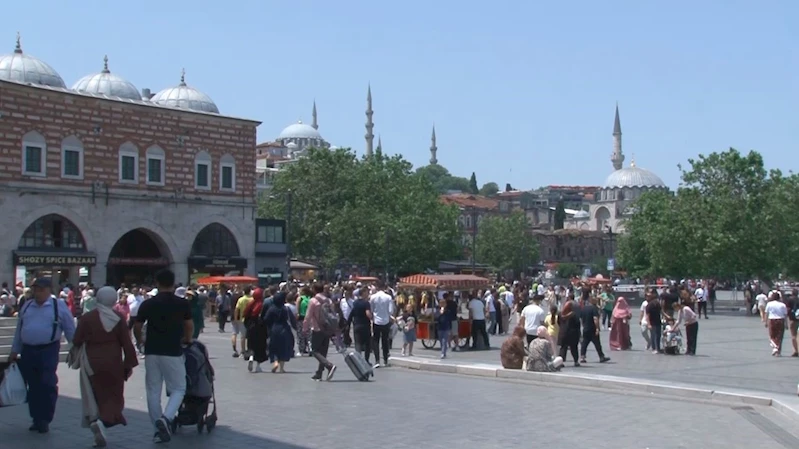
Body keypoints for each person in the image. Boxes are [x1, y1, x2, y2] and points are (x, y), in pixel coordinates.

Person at [71, 286, 139, 448]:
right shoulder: (118, 318)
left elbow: (76, 340)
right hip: (113, 361)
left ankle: (95, 422)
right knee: (113, 396)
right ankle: (103, 421)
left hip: (92, 361)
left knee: (94, 394)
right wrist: (129, 363)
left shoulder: (87, 318)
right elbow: (127, 343)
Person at [8, 277, 76, 434]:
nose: (37, 293)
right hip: (28, 350)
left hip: (48, 349)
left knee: (47, 383)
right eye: (35, 290)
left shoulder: (57, 306)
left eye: (40, 290)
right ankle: (36, 418)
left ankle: (45, 418)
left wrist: (74, 348)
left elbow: (69, 328)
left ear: (48, 290)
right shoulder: (27, 306)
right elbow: (20, 329)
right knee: (32, 385)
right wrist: (14, 350)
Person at [133, 269, 193, 443]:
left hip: (152, 350)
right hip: (173, 350)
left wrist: (140, 340)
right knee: (179, 388)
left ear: (157, 284)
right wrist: (187, 340)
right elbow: (189, 325)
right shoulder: (181, 303)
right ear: (173, 283)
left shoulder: (148, 304)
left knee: (153, 390)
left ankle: (158, 429)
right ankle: (166, 418)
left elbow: (137, 325)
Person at [304, 283, 337, 381]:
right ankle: (319, 373)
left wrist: (305, 328)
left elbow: (308, 316)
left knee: (314, 350)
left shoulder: (313, 301)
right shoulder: (328, 300)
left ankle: (329, 366)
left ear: (314, 289)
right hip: (327, 328)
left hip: (317, 328)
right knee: (323, 352)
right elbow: (333, 314)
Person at [264, 291, 296, 373]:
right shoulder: (286, 308)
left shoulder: (271, 309)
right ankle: (281, 368)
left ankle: (275, 362)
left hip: (274, 329)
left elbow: (266, 319)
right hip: (285, 329)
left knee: (273, 347)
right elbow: (292, 320)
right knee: (283, 348)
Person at [370, 281, 395, 367]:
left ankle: (377, 360)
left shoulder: (373, 297)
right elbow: (390, 311)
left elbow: (371, 309)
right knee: (385, 341)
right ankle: (385, 360)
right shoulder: (388, 297)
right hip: (385, 321)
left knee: (376, 341)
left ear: (377, 287)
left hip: (376, 321)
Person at [579, 295, 610, 363]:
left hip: (586, 329)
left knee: (584, 343)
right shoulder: (594, 309)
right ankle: (601, 357)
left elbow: (581, 319)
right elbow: (595, 319)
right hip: (592, 328)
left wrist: (583, 326)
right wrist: (597, 328)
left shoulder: (583, 309)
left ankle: (582, 357)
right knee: (597, 343)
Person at [347, 287, 373, 363]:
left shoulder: (355, 303)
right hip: (365, 326)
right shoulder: (366, 303)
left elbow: (351, 314)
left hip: (357, 325)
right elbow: (368, 313)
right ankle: (366, 360)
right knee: (367, 344)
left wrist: (348, 323)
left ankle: (359, 360)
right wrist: (372, 318)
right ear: (363, 293)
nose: (368, 294)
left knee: (358, 343)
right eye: (367, 292)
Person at [557, 300, 581, 366]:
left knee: (563, 348)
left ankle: (560, 362)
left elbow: (558, 322)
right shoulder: (574, 315)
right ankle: (576, 361)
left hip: (563, 333)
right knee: (574, 348)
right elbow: (577, 324)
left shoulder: (560, 314)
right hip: (573, 333)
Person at [765, 291, 788, 357]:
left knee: (772, 335)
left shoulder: (769, 304)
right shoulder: (782, 305)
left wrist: (765, 321)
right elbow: (785, 314)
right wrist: (786, 324)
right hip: (780, 320)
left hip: (772, 319)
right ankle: (778, 350)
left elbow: (767, 313)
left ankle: (775, 348)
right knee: (779, 336)